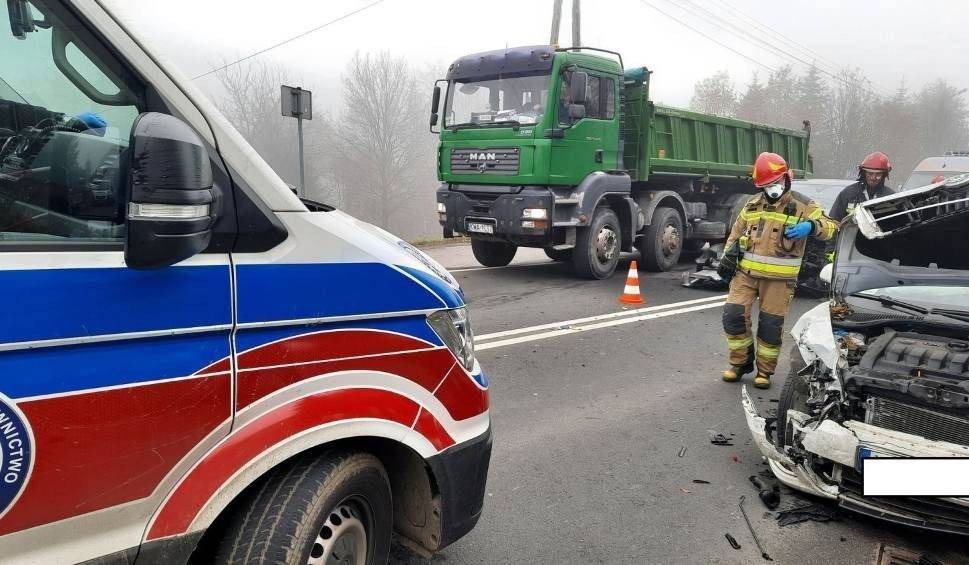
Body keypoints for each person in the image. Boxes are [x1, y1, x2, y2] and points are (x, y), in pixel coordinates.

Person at [721, 152, 838, 389]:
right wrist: (726, 260)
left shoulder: (804, 206)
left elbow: (832, 227)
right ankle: (740, 363)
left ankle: (764, 372)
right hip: (745, 274)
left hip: (779, 279)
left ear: (786, 178)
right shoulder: (752, 204)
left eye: (774, 183)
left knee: (770, 325)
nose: (771, 189)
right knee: (733, 316)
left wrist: (811, 226)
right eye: (765, 185)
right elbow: (735, 233)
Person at [829, 151, 894, 222]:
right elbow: (834, 221)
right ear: (864, 173)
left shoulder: (890, 197)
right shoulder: (848, 194)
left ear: (884, 175)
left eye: (878, 174)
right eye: (870, 173)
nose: (873, 178)